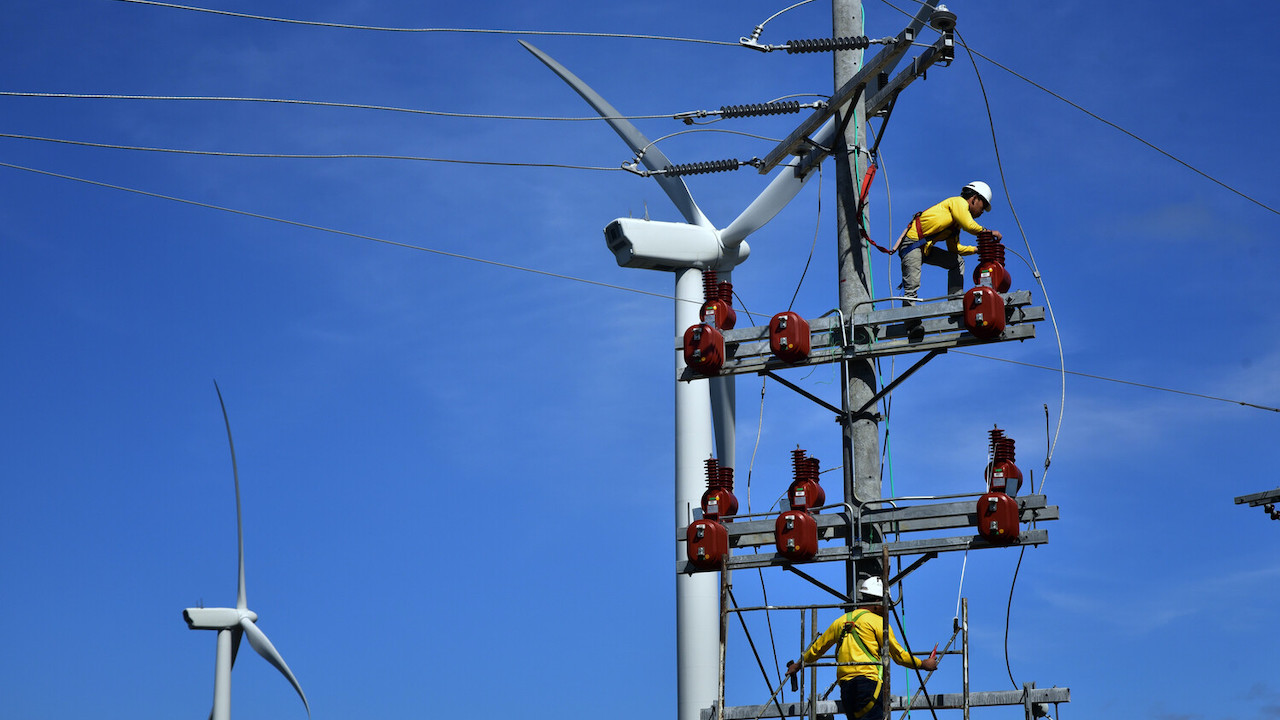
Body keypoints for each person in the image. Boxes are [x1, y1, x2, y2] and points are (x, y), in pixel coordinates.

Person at [784, 577, 938, 720]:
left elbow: (818, 648)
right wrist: (923, 664)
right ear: (878, 601)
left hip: (846, 689)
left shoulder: (841, 621)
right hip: (868, 685)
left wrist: (798, 665)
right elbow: (899, 655)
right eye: (886, 604)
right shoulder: (879, 623)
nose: (887, 609)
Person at [896, 181, 1002, 337]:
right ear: (974, 198)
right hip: (912, 244)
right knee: (912, 285)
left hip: (924, 249)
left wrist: (975, 250)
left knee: (956, 261)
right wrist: (988, 232)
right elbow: (970, 225)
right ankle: (912, 325)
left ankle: (955, 306)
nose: (982, 211)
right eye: (983, 206)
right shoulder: (958, 203)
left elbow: (954, 249)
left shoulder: (954, 226)